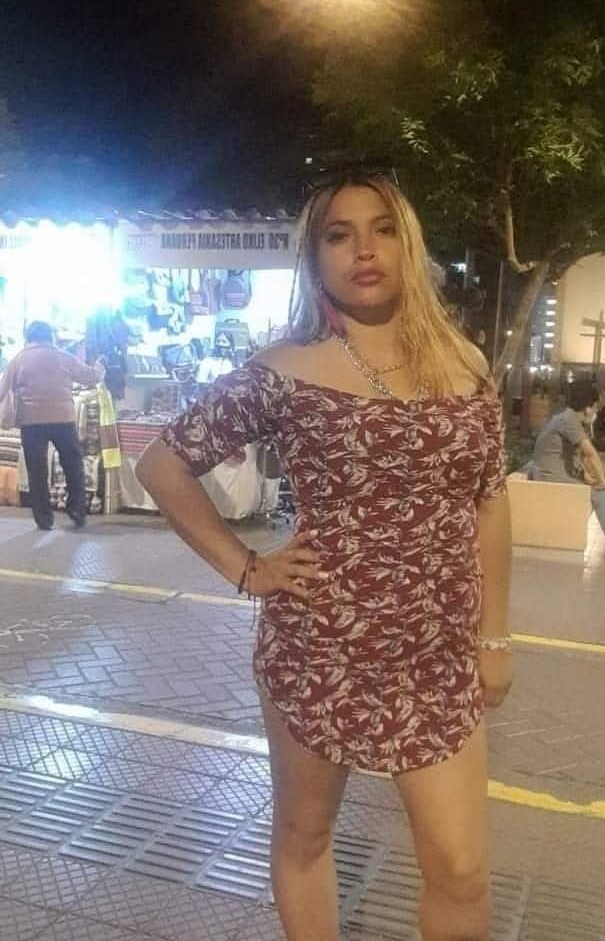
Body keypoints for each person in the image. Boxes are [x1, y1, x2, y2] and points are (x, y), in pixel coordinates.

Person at [137, 172, 512, 941]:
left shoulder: (466, 366)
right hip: (320, 647)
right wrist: (248, 568)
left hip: (437, 656)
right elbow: (163, 465)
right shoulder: (285, 371)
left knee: (461, 869)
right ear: (315, 259)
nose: (363, 250)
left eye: (382, 229)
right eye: (339, 235)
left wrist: (495, 637)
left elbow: (490, 500)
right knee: (305, 837)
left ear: (409, 247)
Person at [529, 381, 605, 561]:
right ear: (587, 408)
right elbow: (590, 453)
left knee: (604, 491)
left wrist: (590, 477)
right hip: (549, 476)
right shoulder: (569, 420)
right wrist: (600, 480)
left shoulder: (569, 418)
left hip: (558, 473)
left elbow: (572, 456)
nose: (595, 412)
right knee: (600, 494)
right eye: (594, 408)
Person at [0, 321, 104, 530]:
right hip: (63, 419)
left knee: (37, 471)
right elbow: (90, 377)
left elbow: (2, 390)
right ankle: (77, 509)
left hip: (31, 422)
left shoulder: (18, 359)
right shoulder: (62, 356)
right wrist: (101, 366)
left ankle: (44, 519)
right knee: (73, 464)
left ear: (28, 337)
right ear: (51, 336)